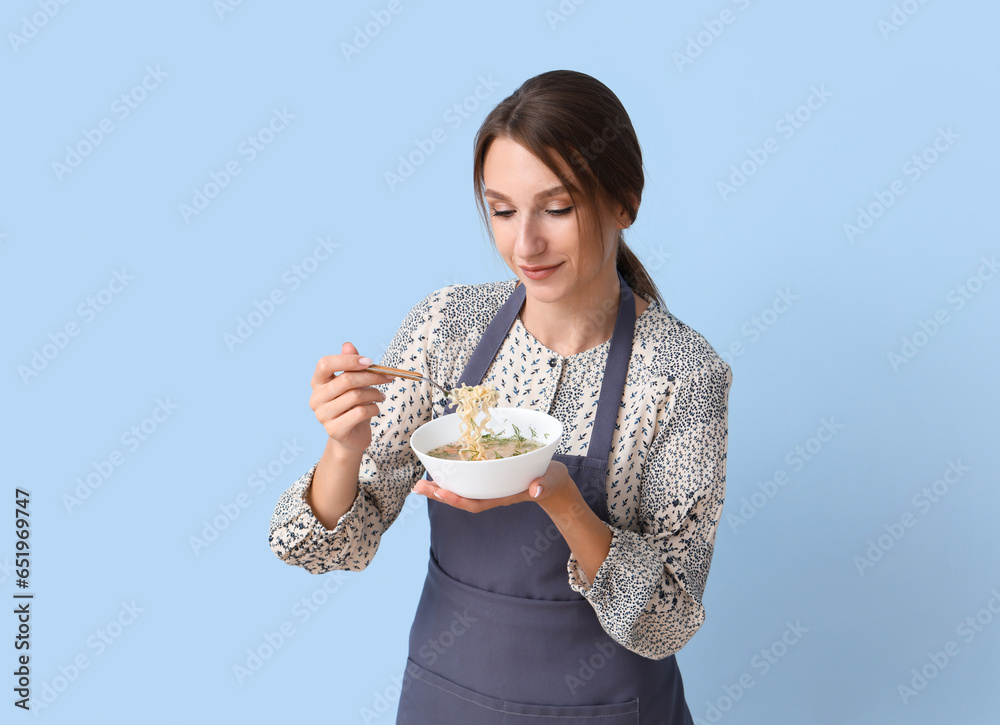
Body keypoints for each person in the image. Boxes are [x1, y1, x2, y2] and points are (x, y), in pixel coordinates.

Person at [268, 69, 732, 724]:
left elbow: (666, 622)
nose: (525, 244)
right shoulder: (443, 328)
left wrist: (564, 502)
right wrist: (342, 446)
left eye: (558, 208)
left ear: (624, 202)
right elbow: (322, 547)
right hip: (447, 698)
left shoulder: (683, 374)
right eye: (503, 210)